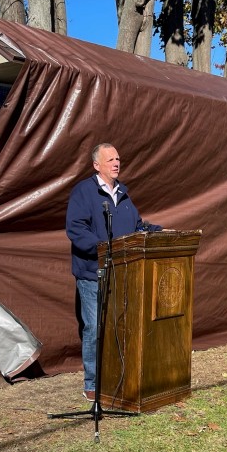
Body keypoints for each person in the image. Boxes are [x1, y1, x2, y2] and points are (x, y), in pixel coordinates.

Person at [66, 144, 160, 400]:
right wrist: (102, 248)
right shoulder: (84, 192)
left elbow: (136, 226)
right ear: (97, 165)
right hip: (93, 273)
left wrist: (153, 231)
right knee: (95, 328)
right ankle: (92, 383)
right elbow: (76, 229)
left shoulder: (123, 194)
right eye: (110, 159)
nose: (116, 163)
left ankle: (119, 375)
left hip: (122, 272)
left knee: (120, 326)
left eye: (118, 158)